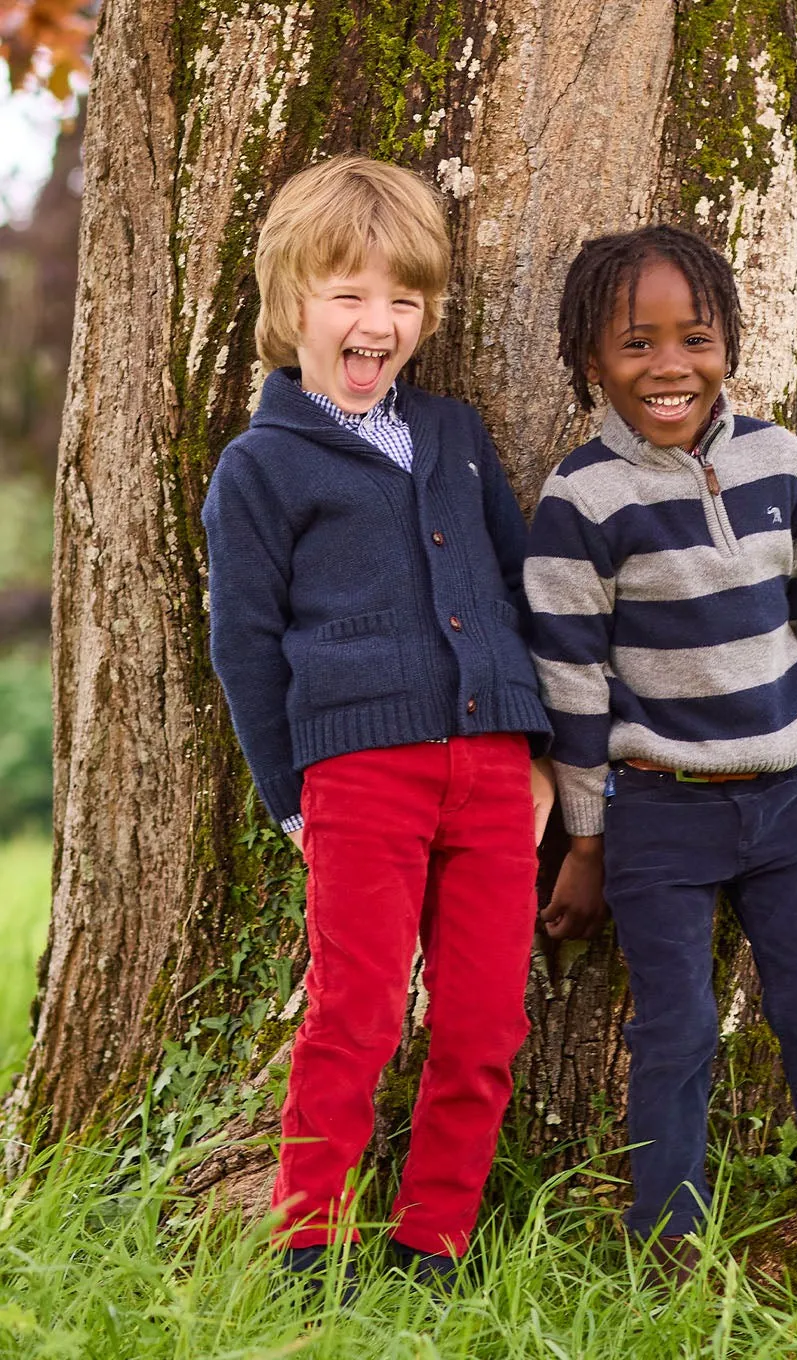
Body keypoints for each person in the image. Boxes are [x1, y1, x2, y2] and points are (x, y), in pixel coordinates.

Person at [524, 224, 797, 1342]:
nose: (670, 364)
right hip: (656, 804)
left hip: (781, 803)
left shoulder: (783, 463)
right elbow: (573, 683)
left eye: (694, 337)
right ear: (589, 357)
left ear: (729, 343)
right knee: (677, 1032)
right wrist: (586, 840)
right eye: (636, 343)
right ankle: (667, 1256)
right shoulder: (581, 500)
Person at [202, 155, 553, 1297]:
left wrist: (536, 746)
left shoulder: (450, 433)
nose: (378, 322)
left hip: (495, 771)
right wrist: (291, 798)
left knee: (485, 1019)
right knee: (354, 1013)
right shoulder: (260, 466)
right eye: (348, 295)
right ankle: (311, 1239)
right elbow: (245, 646)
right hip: (358, 776)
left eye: (403, 299)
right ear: (291, 301)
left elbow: (508, 579)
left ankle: (434, 1240)